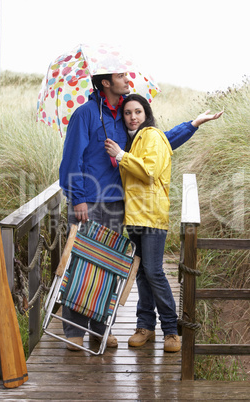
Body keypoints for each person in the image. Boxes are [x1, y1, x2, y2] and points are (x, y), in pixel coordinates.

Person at [59, 73, 223, 351]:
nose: (127, 78)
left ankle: (100, 329)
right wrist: (77, 198)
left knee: (108, 268)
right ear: (106, 83)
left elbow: (161, 142)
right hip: (88, 202)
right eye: (120, 75)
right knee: (81, 264)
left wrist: (192, 125)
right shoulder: (85, 114)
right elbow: (71, 158)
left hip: (118, 204)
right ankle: (75, 329)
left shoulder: (125, 117)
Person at [104, 94, 182, 351]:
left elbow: (150, 172)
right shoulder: (133, 140)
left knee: (154, 271)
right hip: (134, 214)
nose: (133, 116)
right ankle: (145, 326)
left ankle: (171, 330)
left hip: (152, 214)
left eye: (137, 111)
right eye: (127, 113)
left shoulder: (152, 136)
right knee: (141, 272)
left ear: (146, 113)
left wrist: (121, 155)